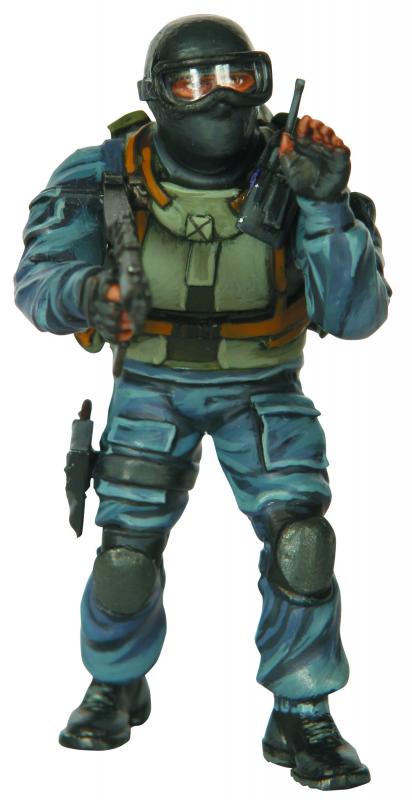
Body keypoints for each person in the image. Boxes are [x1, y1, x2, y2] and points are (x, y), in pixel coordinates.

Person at [14, 14, 390, 791]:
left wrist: (326, 208)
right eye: (191, 82)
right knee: (125, 555)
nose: (217, 97)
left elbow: (357, 317)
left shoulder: (299, 169)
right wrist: (89, 293)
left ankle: (302, 709)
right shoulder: (102, 174)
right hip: (151, 389)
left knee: (301, 546)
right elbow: (36, 283)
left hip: (264, 389)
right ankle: (115, 681)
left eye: (237, 76)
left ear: (263, 83)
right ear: (156, 96)